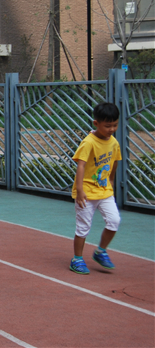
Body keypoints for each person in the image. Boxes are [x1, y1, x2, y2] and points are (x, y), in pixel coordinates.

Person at [69, 102, 122, 275]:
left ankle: (101, 251)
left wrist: (111, 180)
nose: (112, 129)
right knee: (83, 227)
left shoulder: (113, 142)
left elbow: (115, 161)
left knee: (114, 221)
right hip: (86, 192)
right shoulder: (89, 142)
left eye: (115, 125)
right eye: (108, 126)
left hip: (104, 191)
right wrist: (79, 190)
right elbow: (81, 165)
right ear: (96, 123)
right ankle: (77, 259)